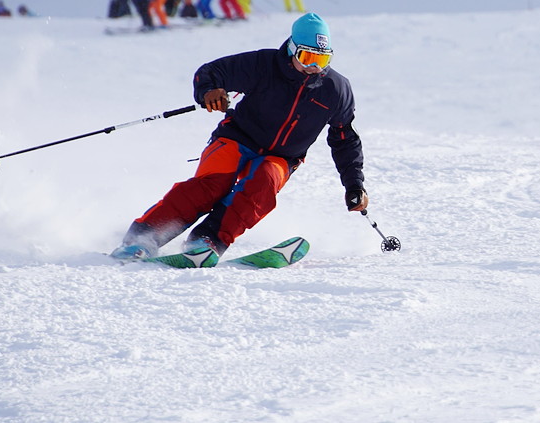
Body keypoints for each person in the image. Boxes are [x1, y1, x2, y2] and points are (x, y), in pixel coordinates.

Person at [111, 13, 368, 265]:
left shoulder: (336, 90)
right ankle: (142, 238)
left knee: (262, 186)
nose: (314, 67)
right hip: (237, 138)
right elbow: (211, 72)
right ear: (292, 49)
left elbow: (344, 139)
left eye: (322, 60)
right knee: (212, 185)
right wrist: (210, 91)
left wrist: (354, 185)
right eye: (308, 57)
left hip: (282, 156)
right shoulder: (264, 64)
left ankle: (205, 242)